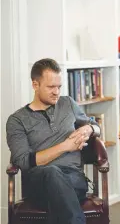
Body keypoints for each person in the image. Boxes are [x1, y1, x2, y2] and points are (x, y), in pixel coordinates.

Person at [6, 58, 101, 224]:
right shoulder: (17, 120)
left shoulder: (68, 103)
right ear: (35, 85)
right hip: (39, 180)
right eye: (51, 87)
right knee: (52, 173)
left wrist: (90, 129)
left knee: (60, 193)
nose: (57, 92)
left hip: (73, 178)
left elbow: (95, 126)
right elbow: (23, 161)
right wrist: (65, 146)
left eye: (59, 87)